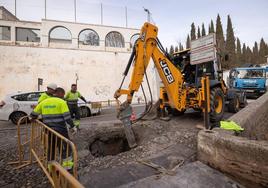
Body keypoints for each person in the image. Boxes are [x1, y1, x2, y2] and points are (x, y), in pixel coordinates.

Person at [30, 87, 77, 171]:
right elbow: (67, 118)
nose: (64, 97)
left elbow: (33, 115)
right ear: (61, 94)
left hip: (48, 131)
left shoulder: (43, 102)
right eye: (63, 95)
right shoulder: (61, 102)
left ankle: (51, 168)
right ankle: (67, 167)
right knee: (65, 148)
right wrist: (73, 127)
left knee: (50, 148)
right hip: (60, 130)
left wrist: (34, 118)